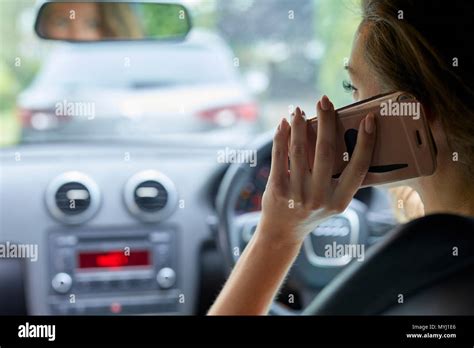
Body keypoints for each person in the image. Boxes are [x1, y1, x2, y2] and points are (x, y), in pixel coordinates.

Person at [208, 0, 474, 315]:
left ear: (411, 115)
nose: (343, 111)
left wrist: (276, 235)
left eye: (353, 88)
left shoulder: (419, 268)